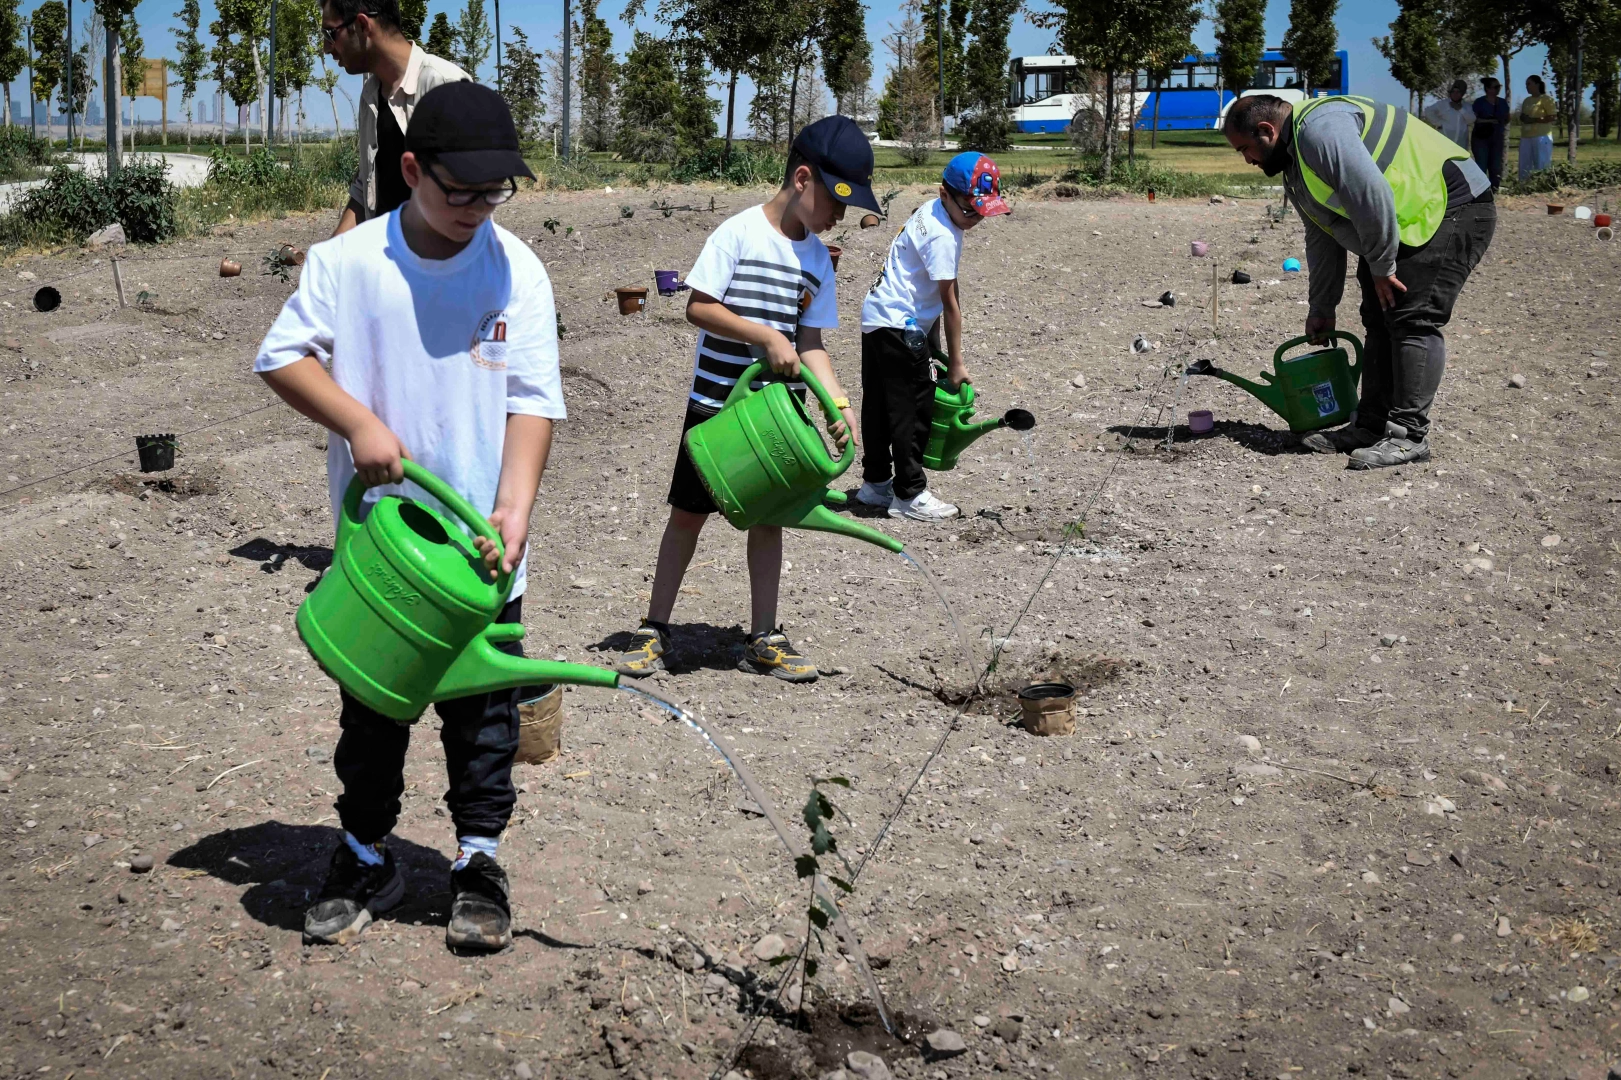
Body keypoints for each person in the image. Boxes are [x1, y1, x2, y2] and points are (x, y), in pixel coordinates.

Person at [255, 82, 565, 952]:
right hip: (385, 554)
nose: (472, 210)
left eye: (490, 193)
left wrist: (515, 508)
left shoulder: (517, 268)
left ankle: (478, 860)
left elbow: (534, 401)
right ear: (409, 169)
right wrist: (357, 423)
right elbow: (281, 357)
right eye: (454, 190)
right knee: (373, 712)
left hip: (480, 552)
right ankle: (364, 853)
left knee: (485, 718)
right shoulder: (348, 263)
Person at [613, 115, 880, 683]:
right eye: (837, 201)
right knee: (687, 517)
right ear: (802, 178)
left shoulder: (818, 262)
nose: (841, 216)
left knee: (769, 520)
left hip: (775, 418)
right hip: (714, 409)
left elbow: (811, 343)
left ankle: (763, 637)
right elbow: (699, 307)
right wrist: (762, 335)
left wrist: (840, 404)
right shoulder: (737, 234)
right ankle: (655, 627)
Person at [1222, 93, 1496, 469]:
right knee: (1379, 317)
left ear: (1267, 131)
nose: (1248, 160)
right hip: (1404, 219)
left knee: (1411, 316)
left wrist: (1382, 267)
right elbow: (1323, 235)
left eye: (1245, 149)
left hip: (1452, 204)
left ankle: (1408, 437)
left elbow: (1371, 192)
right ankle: (1370, 427)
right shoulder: (1295, 164)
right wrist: (1322, 308)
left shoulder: (1319, 131)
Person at [856, 152, 1010, 521]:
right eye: (970, 210)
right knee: (912, 409)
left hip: (878, 316)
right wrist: (955, 363)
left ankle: (875, 484)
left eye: (982, 211)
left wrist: (932, 342)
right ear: (945, 193)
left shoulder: (929, 211)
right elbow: (950, 302)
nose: (975, 219)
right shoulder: (944, 236)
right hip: (902, 325)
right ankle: (909, 493)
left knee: (878, 404)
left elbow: (924, 289)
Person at [321, 0, 468, 236]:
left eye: (330, 33)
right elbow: (365, 188)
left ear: (361, 25)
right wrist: (331, 256)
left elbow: (468, 198)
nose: (326, 48)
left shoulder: (444, 86)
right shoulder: (370, 96)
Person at [1470, 77, 1509, 189]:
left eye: (1499, 87)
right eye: (1495, 87)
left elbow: (1507, 118)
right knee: (1481, 164)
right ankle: (1480, 189)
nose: (1498, 89)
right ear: (1487, 88)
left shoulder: (1502, 102)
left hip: (1497, 138)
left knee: (1495, 165)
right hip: (1481, 138)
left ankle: (1494, 188)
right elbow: (1474, 119)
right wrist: (1490, 120)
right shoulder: (1479, 102)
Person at [1518, 75, 1558, 181]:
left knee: (1541, 162)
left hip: (1541, 136)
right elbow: (1522, 115)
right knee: (1525, 163)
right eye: (1526, 84)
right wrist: (1523, 118)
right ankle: (1524, 185)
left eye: (1529, 84)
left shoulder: (1546, 99)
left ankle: (1542, 183)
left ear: (1537, 84)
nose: (1527, 87)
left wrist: (1534, 120)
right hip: (1526, 136)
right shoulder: (1527, 100)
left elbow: (1552, 117)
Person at [1424, 79, 1475, 149]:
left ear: (1462, 94)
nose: (1455, 94)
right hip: (1444, 143)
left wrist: (1460, 109)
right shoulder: (1443, 103)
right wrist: (1439, 123)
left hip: (1461, 143)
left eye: (1458, 92)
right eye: (1453, 91)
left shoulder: (1467, 106)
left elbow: (1472, 119)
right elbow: (1428, 111)